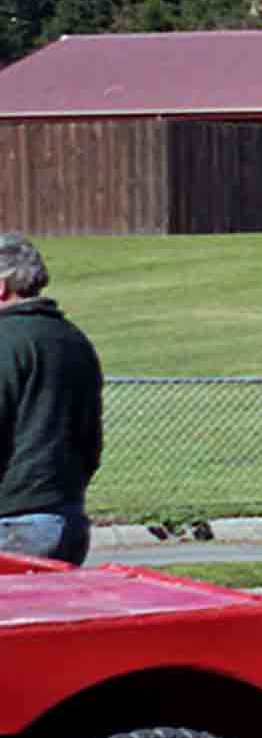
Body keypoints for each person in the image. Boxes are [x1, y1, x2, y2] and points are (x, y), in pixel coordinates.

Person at [0, 234, 104, 566]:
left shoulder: (6, 341)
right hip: (66, 516)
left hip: (11, 521)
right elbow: (91, 440)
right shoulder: (73, 340)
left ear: (1, 287)